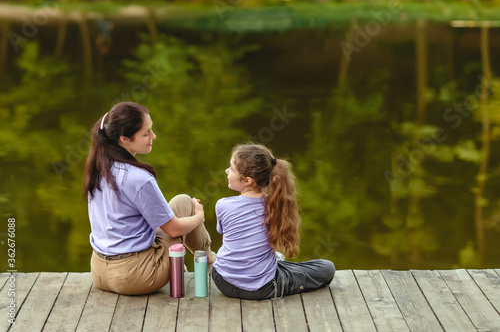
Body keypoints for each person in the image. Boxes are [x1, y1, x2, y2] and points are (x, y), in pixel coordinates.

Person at [83, 101, 215, 295]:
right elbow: (174, 229)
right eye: (146, 133)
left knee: (180, 202)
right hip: (135, 277)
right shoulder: (138, 178)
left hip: (99, 272)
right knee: (188, 206)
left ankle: (203, 261)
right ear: (124, 139)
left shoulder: (98, 167)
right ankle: (211, 261)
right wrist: (199, 217)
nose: (153, 136)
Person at [212, 143, 335, 300]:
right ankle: (275, 262)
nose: (226, 171)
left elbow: (226, 234)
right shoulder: (274, 207)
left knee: (276, 258)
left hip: (222, 280)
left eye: (231, 168)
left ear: (247, 180)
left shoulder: (222, 205)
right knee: (327, 268)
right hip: (262, 288)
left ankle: (274, 261)